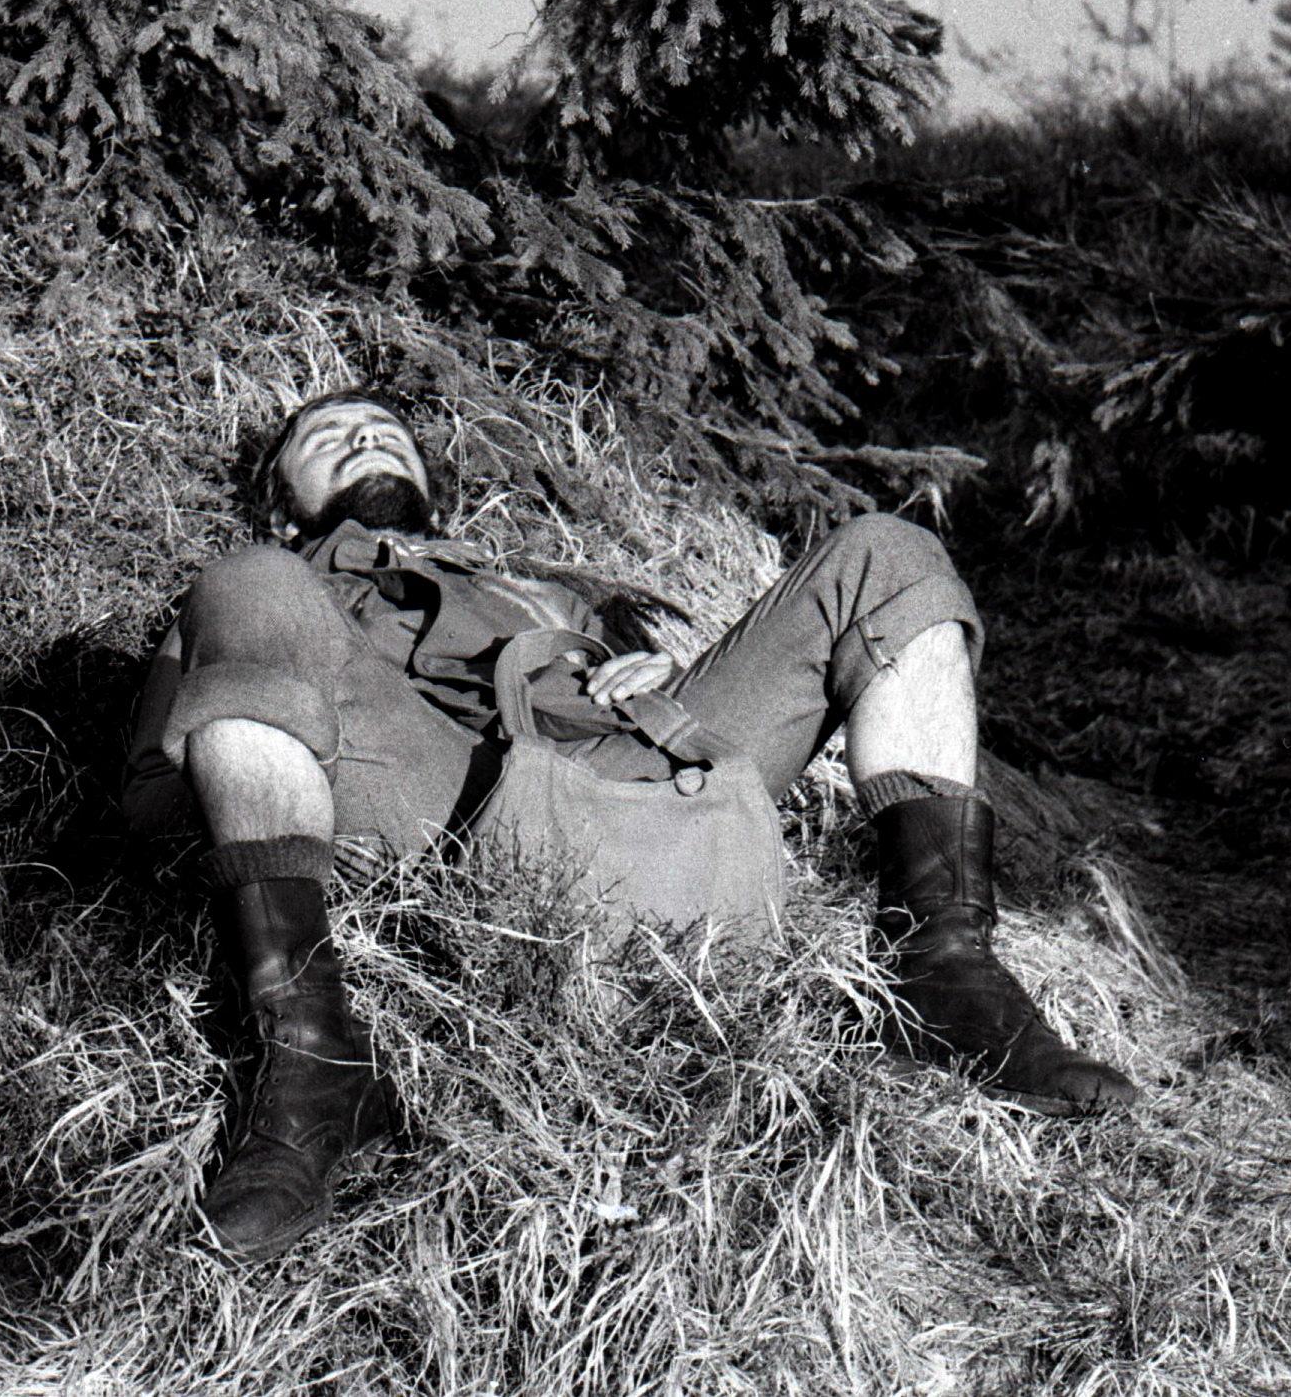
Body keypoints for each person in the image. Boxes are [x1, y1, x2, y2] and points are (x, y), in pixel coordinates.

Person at [126, 388, 1136, 1260]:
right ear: (279, 499)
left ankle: (945, 973)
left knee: (888, 553)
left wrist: (648, 675)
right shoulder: (268, 588)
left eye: (386, 430)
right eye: (329, 434)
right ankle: (315, 1066)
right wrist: (279, 739)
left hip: (642, 766)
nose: (364, 437)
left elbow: (662, 681)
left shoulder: (544, 589)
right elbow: (153, 796)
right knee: (247, 579)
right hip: (449, 797)